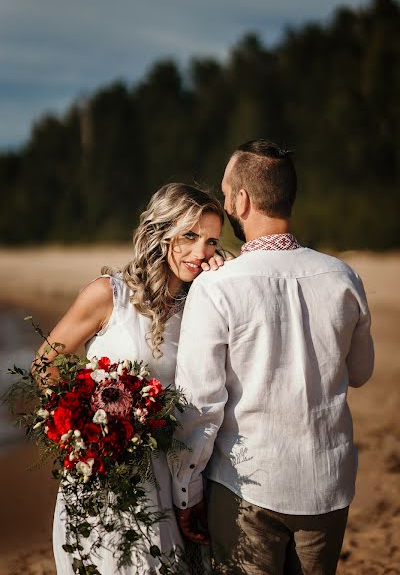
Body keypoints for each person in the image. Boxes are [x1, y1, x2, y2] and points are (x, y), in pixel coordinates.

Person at [171, 140, 374, 575]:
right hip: (328, 483)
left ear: (241, 200)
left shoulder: (217, 286)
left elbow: (199, 405)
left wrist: (187, 489)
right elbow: (360, 373)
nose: (225, 203)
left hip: (247, 485)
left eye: (227, 193)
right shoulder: (343, 276)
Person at [35, 183, 225, 574]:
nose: (200, 251)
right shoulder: (109, 295)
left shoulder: (205, 305)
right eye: (189, 235)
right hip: (103, 474)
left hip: (173, 475)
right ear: (161, 232)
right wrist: (83, 425)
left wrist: (223, 283)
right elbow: (44, 365)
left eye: (211, 241)